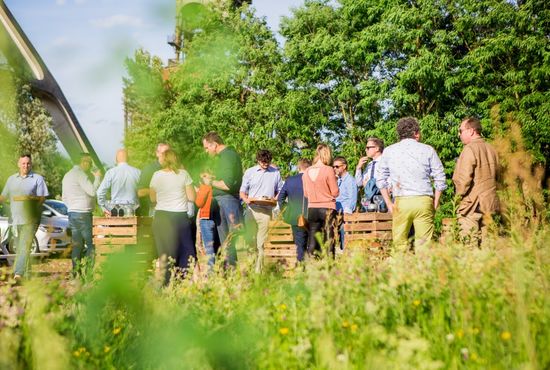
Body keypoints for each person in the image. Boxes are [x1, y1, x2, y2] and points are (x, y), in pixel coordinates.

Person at [376, 117, 447, 253]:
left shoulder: (389, 151)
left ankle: (400, 272)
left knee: (399, 244)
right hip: (423, 200)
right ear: (416, 133)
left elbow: (381, 179)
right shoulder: (428, 150)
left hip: (401, 201)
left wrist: (389, 203)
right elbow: (440, 178)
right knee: (424, 246)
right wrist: (436, 202)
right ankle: (423, 272)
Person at [149, 149, 196, 283]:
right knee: (184, 251)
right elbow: (192, 197)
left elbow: (152, 198)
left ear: (164, 159)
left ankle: (166, 284)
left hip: (162, 216)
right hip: (179, 217)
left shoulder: (156, 175)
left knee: (165, 252)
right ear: (176, 159)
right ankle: (184, 283)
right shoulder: (184, 174)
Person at [0, 154, 49, 281]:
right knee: (21, 247)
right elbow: (4, 196)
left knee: (24, 245)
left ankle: (18, 274)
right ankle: (27, 274)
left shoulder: (37, 179)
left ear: (31, 164)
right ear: (18, 164)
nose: (26, 166)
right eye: (23, 163)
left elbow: (42, 198)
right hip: (16, 219)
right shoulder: (11, 179)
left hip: (31, 219)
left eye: (28, 163)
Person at [453, 117, 499, 247]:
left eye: (461, 130)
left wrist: (458, 198)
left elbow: (463, 181)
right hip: (490, 204)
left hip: (471, 205)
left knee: (469, 247)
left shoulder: (469, 149)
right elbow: (499, 177)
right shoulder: (492, 149)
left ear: (471, 131)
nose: (459, 134)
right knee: (488, 248)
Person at [202, 132, 243, 267]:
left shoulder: (227, 156)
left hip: (227, 202)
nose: (206, 151)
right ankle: (228, 276)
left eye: (207, 147)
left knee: (229, 242)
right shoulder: (225, 156)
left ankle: (234, 276)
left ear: (214, 144)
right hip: (225, 202)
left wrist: (210, 182)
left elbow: (227, 184)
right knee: (226, 243)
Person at [240, 149, 283, 272]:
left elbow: (280, 189)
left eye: (268, 162)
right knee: (249, 241)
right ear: (258, 160)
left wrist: (275, 198)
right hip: (251, 210)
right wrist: (246, 199)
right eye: (263, 162)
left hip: (266, 211)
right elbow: (242, 191)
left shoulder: (275, 173)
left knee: (261, 243)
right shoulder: (250, 172)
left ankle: (258, 270)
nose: (265, 164)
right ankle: (250, 265)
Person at [61, 153, 102, 277]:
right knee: (91, 245)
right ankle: (89, 274)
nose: (90, 166)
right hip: (83, 214)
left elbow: (64, 197)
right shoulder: (81, 175)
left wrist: (72, 206)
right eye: (89, 163)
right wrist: (97, 178)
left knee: (77, 246)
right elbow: (92, 191)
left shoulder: (67, 176)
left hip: (72, 213)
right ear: (83, 162)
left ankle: (75, 274)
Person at [302, 144, 339, 257]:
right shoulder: (328, 170)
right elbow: (335, 192)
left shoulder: (306, 171)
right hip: (327, 208)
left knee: (312, 238)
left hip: (312, 208)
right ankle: (330, 265)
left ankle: (309, 265)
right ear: (327, 155)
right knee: (329, 237)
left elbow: (306, 194)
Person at [277, 158, 311, 262]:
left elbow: (280, 198)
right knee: (313, 243)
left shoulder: (290, 180)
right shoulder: (312, 179)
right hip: (312, 215)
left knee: (300, 245)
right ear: (309, 168)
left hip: (295, 218)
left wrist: (287, 211)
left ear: (298, 167)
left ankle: (301, 269)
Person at [97, 149, 141, 216]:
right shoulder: (138, 172)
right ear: (128, 159)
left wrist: (104, 208)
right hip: (133, 211)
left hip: (116, 211)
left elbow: (99, 192)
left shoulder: (111, 172)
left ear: (116, 160)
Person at [195, 166, 221, 271]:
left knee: (208, 247)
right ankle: (216, 269)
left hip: (205, 218)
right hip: (214, 219)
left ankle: (211, 273)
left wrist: (197, 193)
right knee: (214, 246)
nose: (202, 177)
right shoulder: (215, 189)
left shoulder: (205, 188)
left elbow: (199, 203)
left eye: (205, 175)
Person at [137, 143, 170, 216]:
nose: (167, 155)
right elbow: (140, 192)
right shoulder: (149, 169)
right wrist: (160, 190)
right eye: (164, 153)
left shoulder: (175, 168)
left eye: (169, 152)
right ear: (157, 153)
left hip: (173, 209)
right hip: (156, 210)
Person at [355, 137, 385, 211]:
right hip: (368, 200)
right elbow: (359, 183)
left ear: (377, 148)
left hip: (382, 199)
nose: (366, 150)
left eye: (368, 148)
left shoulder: (385, 162)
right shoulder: (369, 165)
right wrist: (358, 168)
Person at [333, 156, 357, 250]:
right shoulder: (339, 180)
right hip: (338, 214)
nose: (335, 168)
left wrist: (348, 212)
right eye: (333, 167)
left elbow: (353, 197)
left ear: (344, 166)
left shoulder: (350, 180)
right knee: (340, 238)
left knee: (346, 238)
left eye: (337, 166)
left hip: (346, 214)